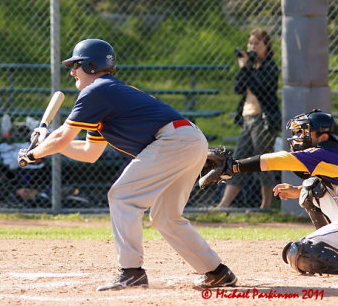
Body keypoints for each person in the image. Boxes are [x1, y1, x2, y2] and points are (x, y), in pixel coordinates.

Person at [17, 39, 237, 291]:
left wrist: (32, 155)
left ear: (91, 65)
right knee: (165, 218)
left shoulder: (96, 90)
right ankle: (216, 271)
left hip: (173, 140)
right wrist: (45, 144)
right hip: (188, 139)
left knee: (122, 196)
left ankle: (131, 271)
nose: (72, 72)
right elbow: (89, 152)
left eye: (76, 65)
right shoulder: (106, 94)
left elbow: (62, 137)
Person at [200, 109, 338, 275]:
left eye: (303, 132)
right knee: (310, 188)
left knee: (301, 253)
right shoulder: (331, 153)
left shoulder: (324, 153)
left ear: (323, 137)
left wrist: (234, 166)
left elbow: (278, 160)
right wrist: (298, 190)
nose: (298, 138)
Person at [217, 28, 281, 209]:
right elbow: (238, 88)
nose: (252, 47)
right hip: (247, 119)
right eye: (250, 43)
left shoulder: (269, 66)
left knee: (263, 160)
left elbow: (261, 88)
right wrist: (245, 67)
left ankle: (266, 206)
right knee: (238, 160)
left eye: (256, 43)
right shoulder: (250, 66)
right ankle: (224, 204)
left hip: (263, 120)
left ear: (266, 46)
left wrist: (248, 70)